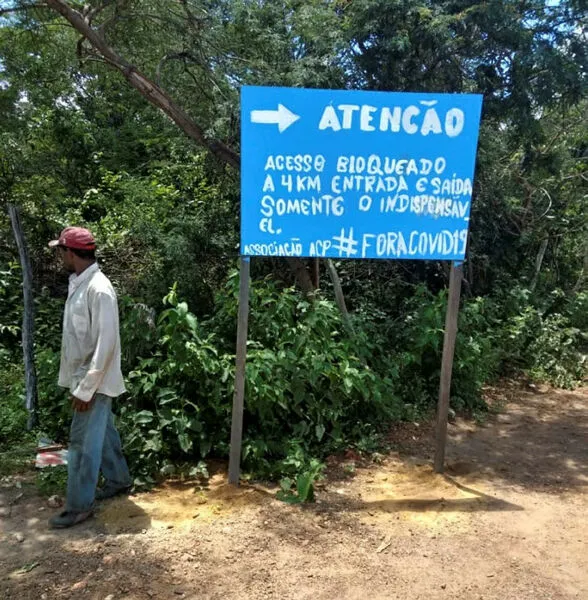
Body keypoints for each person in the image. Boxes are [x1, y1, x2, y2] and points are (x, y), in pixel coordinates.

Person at [48, 226, 132, 528]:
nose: (60, 256)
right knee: (104, 434)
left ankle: (79, 505)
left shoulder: (99, 288)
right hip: (85, 379)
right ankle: (119, 480)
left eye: (61, 250)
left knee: (82, 443)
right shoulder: (81, 284)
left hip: (92, 383)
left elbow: (106, 344)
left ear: (71, 252)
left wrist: (85, 389)